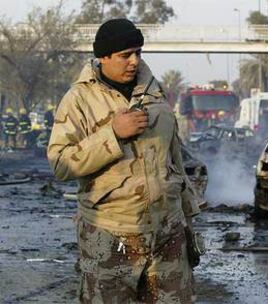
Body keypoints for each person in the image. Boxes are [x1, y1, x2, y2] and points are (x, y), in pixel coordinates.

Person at [47, 19, 201, 303]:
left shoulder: (154, 92)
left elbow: (174, 157)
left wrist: (189, 219)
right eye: (125, 55)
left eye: (138, 53)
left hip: (167, 233)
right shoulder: (79, 99)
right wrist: (113, 135)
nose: (134, 61)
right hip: (111, 235)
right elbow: (61, 163)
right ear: (103, 56)